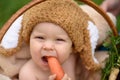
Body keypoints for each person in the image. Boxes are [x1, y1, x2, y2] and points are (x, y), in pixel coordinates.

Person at [18, 0, 101, 80]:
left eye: (59, 40)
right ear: (29, 40)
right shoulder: (28, 74)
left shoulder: (71, 59)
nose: (48, 46)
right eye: (40, 37)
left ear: (71, 48)